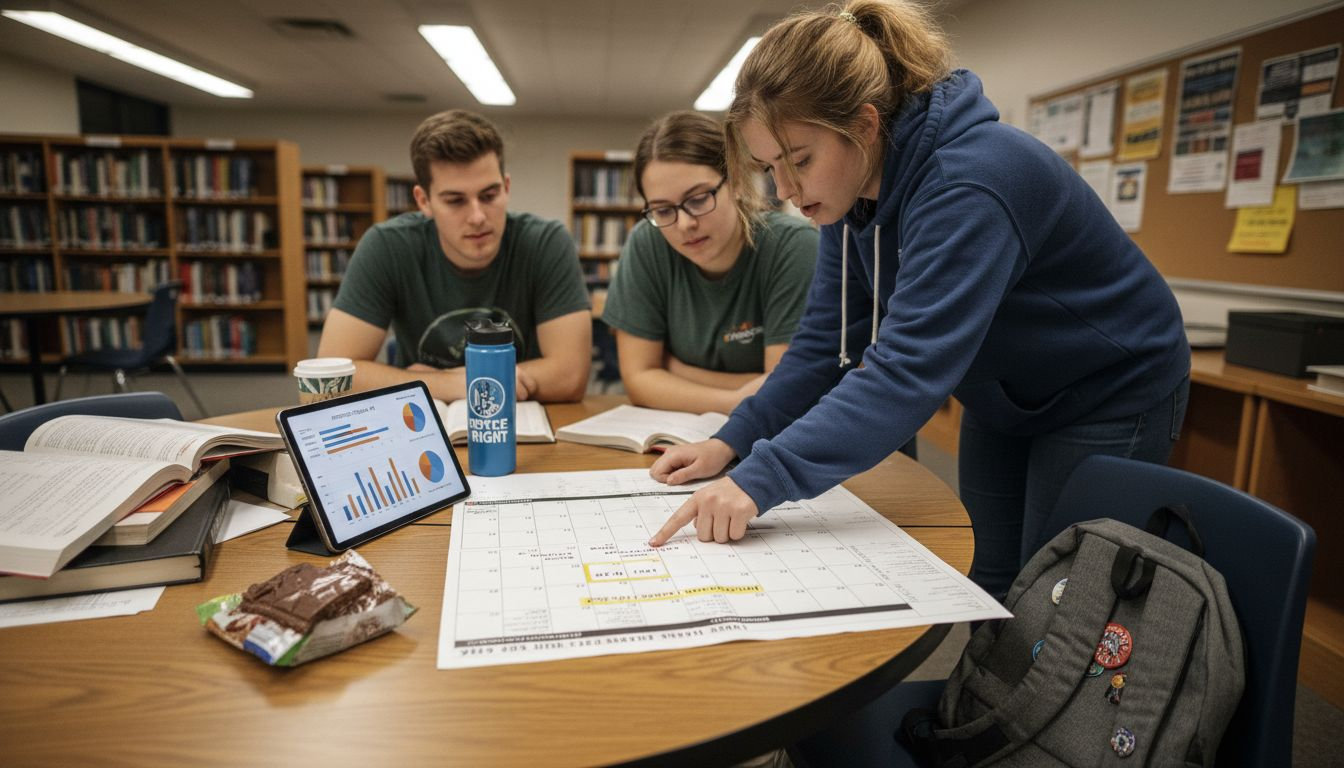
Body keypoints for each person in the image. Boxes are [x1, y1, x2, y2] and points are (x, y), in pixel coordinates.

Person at [647, 0, 1190, 601]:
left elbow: (906, 368)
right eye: (771, 167)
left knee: (1057, 592)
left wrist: (761, 479)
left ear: (865, 124)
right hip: (1005, 393)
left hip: (1111, 387)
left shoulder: (974, 180)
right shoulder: (847, 198)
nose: (786, 190)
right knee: (987, 575)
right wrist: (734, 440)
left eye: (799, 160)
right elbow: (824, 344)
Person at [318, 109, 592, 403]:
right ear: (424, 201)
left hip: (522, 427)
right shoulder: (387, 246)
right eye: (455, 201)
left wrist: (427, 382)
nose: (477, 217)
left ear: (507, 187)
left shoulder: (546, 242)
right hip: (420, 425)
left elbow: (569, 376)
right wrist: (451, 384)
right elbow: (330, 378)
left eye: (489, 196)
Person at [601, 111, 818, 415]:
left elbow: (785, 389)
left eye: (699, 198)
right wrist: (734, 400)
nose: (685, 224)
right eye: (663, 211)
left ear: (738, 181)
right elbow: (638, 380)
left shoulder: (793, 246)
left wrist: (672, 369)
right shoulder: (647, 243)